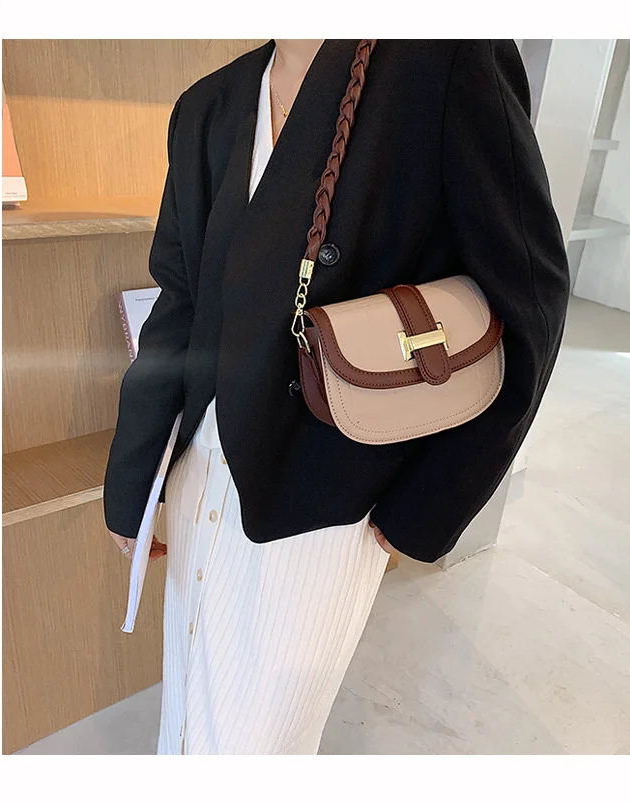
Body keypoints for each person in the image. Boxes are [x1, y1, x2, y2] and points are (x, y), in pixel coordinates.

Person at [103, 39, 570, 754]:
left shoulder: (444, 59)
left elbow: (530, 296)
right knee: (189, 713)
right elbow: (179, 299)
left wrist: (428, 502)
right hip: (199, 465)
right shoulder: (210, 103)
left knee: (260, 744)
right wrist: (135, 477)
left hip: (331, 488)